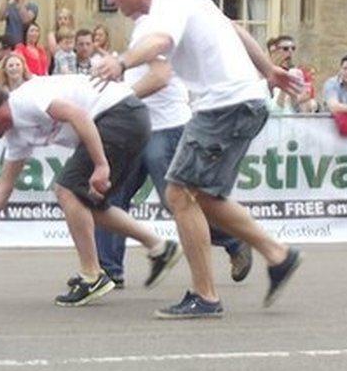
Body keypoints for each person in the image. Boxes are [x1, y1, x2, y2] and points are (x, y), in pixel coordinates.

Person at [94, 0, 304, 319]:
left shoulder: (164, 8)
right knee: (203, 196)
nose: (111, 2)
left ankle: (206, 296)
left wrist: (123, 61)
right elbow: (236, 31)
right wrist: (268, 69)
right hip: (240, 102)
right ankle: (277, 254)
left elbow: (159, 43)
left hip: (225, 104)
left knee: (179, 193)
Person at [0, 78, 182, 306]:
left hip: (119, 114)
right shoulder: (16, 135)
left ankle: (92, 276)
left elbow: (78, 115)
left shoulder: (26, 99)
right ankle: (161, 247)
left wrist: (101, 165)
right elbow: (4, 185)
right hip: (126, 120)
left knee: (66, 190)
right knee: (87, 203)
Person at [94, 14, 253, 288]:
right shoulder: (133, 49)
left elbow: (160, 78)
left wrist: (120, 98)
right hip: (135, 132)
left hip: (167, 129)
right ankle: (108, 271)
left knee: (177, 202)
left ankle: (233, 239)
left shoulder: (159, 47)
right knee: (108, 198)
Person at [267, 35, 317, 113]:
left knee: (311, 104)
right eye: (285, 49)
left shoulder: (299, 72)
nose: (290, 51)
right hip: (273, 112)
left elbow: (307, 95)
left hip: (292, 112)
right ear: (275, 51)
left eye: (293, 48)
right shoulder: (266, 71)